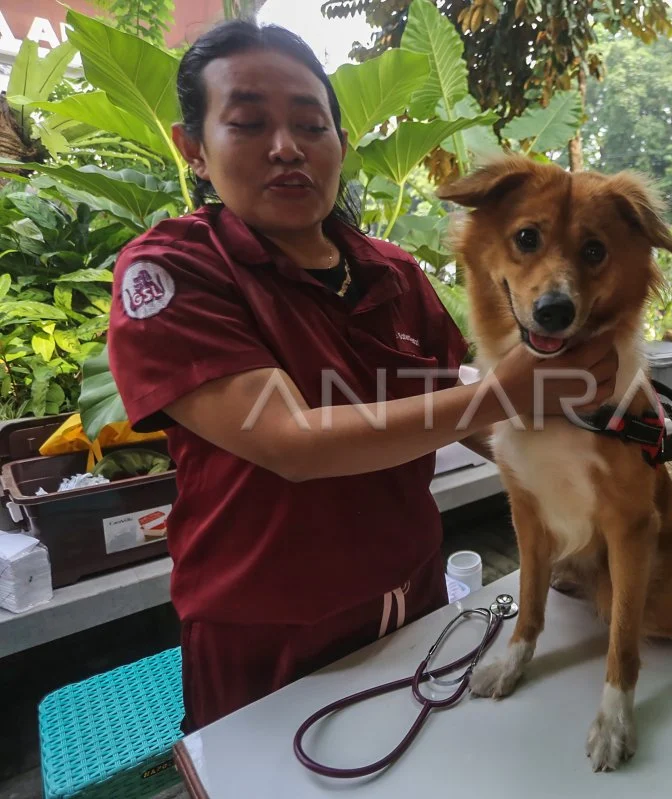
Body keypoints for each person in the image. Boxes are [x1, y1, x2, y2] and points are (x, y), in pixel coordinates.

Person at [105, 20, 618, 733]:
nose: (287, 148)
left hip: (416, 598)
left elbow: (470, 418)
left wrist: (615, 460)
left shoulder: (392, 273)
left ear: (341, 146)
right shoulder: (174, 271)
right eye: (249, 123)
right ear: (191, 147)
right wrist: (508, 390)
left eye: (311, 125)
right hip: (266, 629)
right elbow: (289, 441)